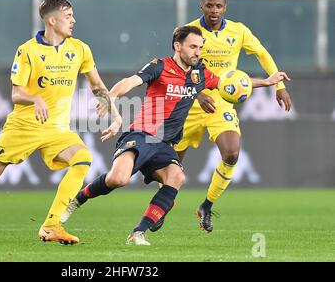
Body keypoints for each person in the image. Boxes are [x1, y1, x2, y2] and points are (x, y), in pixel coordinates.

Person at [61, 25, 289, 245]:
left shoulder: (200, 73)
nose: (198, 52)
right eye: (193, 47)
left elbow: (231, 84)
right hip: (143, 135)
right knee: (117, 179)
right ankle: (78, 199)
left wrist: (266, 82)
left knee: (177, 177)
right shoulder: (160, 66)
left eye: (200, 47)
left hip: (165, 144)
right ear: (178, 46)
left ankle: (138, 233)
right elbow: (130, 81)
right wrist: (111, 95)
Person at [0, 0, 121, 246]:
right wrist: (35, 99)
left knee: (83, 158)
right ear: (52, 20)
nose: (73, 20)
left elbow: (97, 85)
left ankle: (52, 225)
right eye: (68, 16)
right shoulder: (28, 50)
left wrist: (115, 115)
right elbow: (16, 93)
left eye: (73, 16)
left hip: (56, 129)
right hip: (24, 127)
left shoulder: (80, 49)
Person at [172, 0, 293, 233]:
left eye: (218, 6)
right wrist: (199, 91)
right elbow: (176, 69)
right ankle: (165, 201)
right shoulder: (190, 32)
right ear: (202, 6)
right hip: (191, 102)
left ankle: (206, 206)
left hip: (221, 103)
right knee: (172, 166)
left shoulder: (238, 31)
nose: (214, 10)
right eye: (209, 5)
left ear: (225, 8)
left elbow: (262, 53)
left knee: (231, 153)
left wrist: (278, 85)